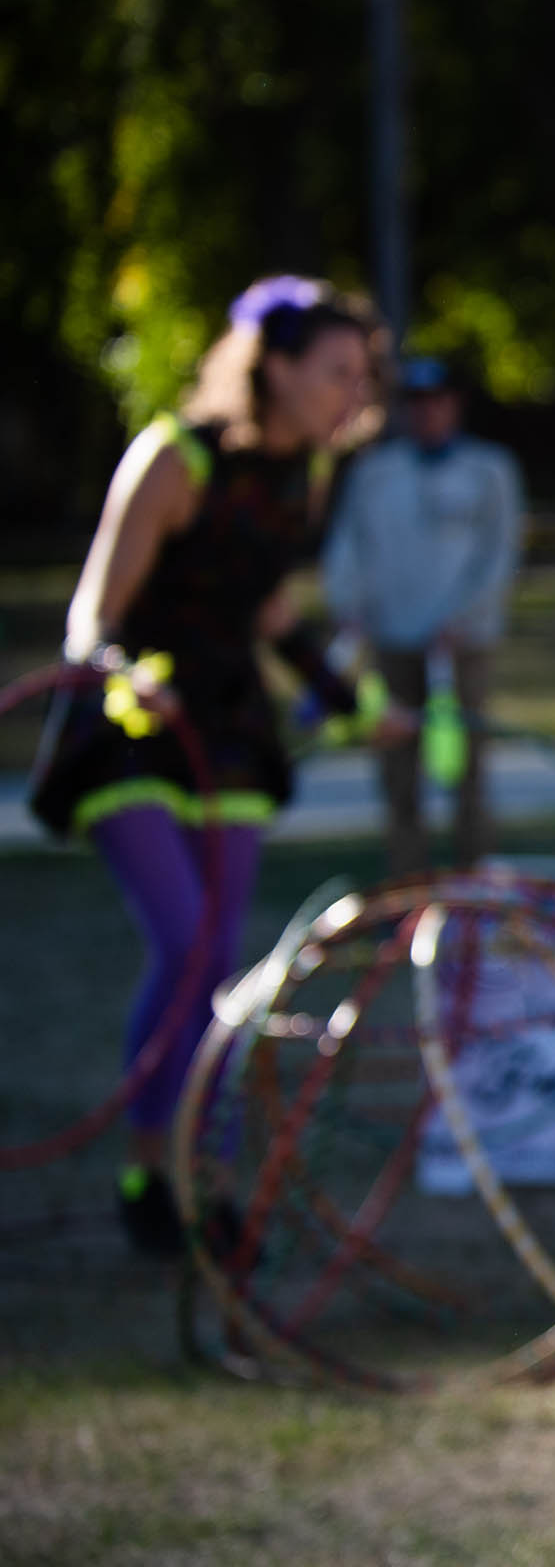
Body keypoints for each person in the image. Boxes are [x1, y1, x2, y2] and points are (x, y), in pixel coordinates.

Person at [32, 276, 410, 1252]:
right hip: (132, 724)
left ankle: (208, 1182)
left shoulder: (304, 476)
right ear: (272, 367)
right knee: (185, 938)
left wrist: (350, 703)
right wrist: (121, 675)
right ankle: (146, 1173)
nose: (352, 394)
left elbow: (269, 613)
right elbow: (91, 618)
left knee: (223, 966)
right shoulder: (175, 457)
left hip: (229, 731)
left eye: (359, 376)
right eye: (334, 372)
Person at [322, 354, 525, 875]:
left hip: (460, 642)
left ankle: (473, 881)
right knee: (397, 769)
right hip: (393, 637)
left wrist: (466, 616)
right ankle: (407, 882)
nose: (426, 414)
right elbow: (350, 545)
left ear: (454, 404)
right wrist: (350, 610)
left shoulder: (489, 469)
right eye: (416, 404)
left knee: (466, 766)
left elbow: (499, 553)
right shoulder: (375, 472)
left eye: (436, 402)